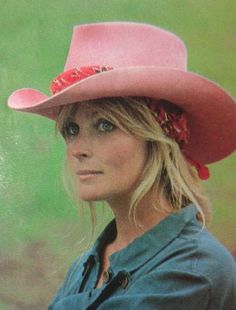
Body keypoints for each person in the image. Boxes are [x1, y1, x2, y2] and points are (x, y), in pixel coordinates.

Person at [8, 22, 236, 309]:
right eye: (71, 130)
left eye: (104, 125)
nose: (77, 149)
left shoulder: (193, 272)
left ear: (158, 137)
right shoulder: (87, 265)